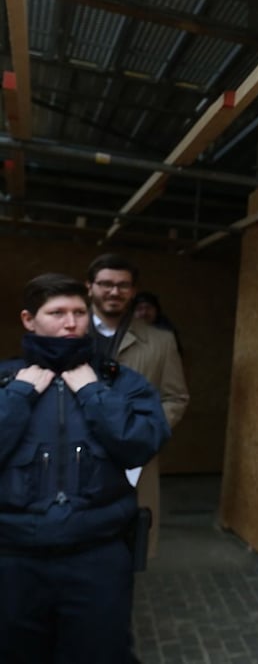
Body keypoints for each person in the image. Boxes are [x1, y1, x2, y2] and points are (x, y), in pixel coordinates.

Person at [0, 273, 170, 663]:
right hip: (13, 558)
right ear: (29, 319)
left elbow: (142, 443)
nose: (71, 322)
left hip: (97, 556)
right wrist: (19, 395)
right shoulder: (8, 382)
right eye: (57, 312)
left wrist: (93, 392)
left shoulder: (119, 382)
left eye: (79, 312)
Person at [87, 253, 189, 558]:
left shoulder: (160, 341)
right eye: (105, 284)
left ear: (132, 291)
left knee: (128, 544)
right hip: (75, 453)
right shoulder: (67, 333)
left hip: (134, 460)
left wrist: (144, 432)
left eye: (123, 285)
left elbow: (175, 397)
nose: (114, 291)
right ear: (89, 287)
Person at [132, 290, 184, 356]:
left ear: (156, 311)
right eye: (139, 309)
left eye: (148, 308)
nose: (144, 312)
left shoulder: (167, 335)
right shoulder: (126, 333)